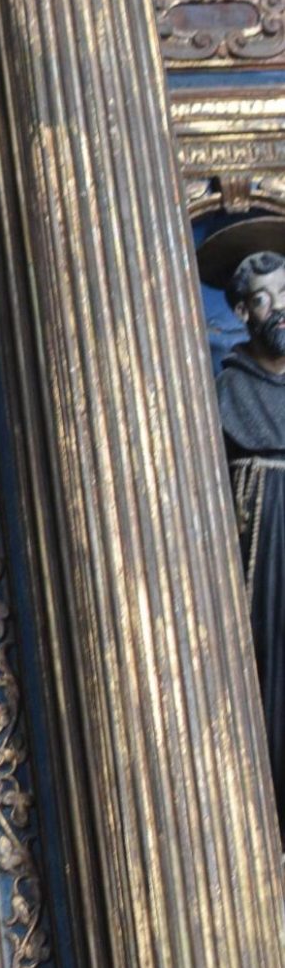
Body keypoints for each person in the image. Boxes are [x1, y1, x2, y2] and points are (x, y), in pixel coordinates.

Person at [200, 222, 285, 838]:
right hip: (268, 587)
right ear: (241, 312)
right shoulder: (227, 390)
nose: (279, 308)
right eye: (263, 299)